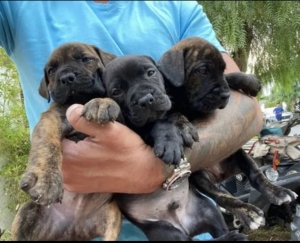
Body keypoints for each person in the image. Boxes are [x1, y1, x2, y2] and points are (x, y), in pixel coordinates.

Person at [0, 1, 263, 240]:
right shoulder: (19, 7)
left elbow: (247, 110)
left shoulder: (179, 8)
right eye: (53, 72)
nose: (67, 76)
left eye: (85, 61)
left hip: (185, 213)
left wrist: (157, 168)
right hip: (60, 211)